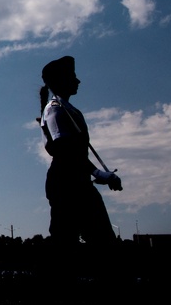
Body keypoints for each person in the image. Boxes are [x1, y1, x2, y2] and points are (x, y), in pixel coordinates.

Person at [39, 56, 121, 246]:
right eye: (72, 76)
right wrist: (99, 173)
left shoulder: (70, 110)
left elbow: (74, 153)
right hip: (65, 183)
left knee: (101, 241)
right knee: (67, 243)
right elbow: (64, 150)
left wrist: (96, 174)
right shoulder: (55, 109)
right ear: (60, 80)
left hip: (77, 180)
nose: (78, 81)